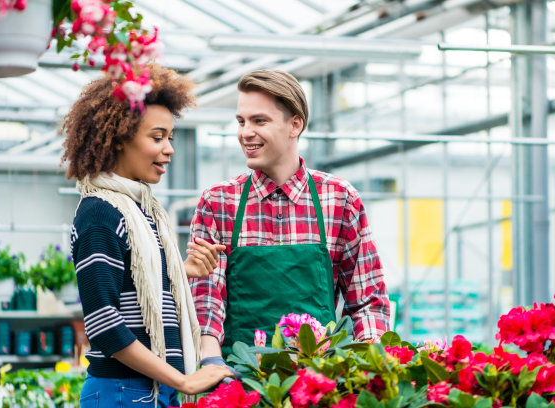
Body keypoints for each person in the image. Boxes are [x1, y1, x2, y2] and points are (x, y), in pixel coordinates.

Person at [189, 69, 391, 361]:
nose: (246, 132)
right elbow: (206, 300)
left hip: (320, 379)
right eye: (241, 121)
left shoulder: (338, 199)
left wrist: (370, 367)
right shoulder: (219, 202)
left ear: (294, 125)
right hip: (237, 378)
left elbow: (367, 301)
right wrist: (211, 363)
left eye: (260, 121)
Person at [61, 65, 232, 408]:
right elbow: (104, 325)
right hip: (123, 392)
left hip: (150, 391)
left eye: (171, 137)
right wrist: (184, 380)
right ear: (120, 137)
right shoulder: (100, 213)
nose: (169, 149)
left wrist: (179, 272)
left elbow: (133, 285)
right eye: (157, 137)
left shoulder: (143, 211)